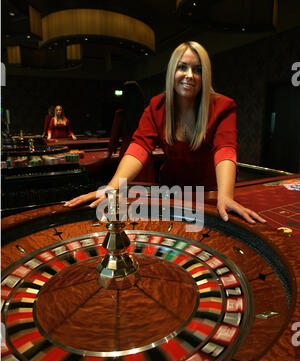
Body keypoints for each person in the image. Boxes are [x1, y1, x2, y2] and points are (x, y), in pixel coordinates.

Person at [65, 41, 265, 224]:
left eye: (197, 70)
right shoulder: (156, 106)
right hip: (172, 190)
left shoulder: (222, 106)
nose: (189, 75)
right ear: (172, 71)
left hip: (210, 192)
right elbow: (139, 147)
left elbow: (225, 149)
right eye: (182, 67)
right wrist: (112, 187)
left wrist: (226, 195)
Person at [107, 81, 154, 183]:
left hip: (127, 153)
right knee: (147, 190)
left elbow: (114, 137)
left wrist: (109, 154)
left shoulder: (120, 114)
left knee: (126, 189)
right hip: (144, 155)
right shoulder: (147, 112)